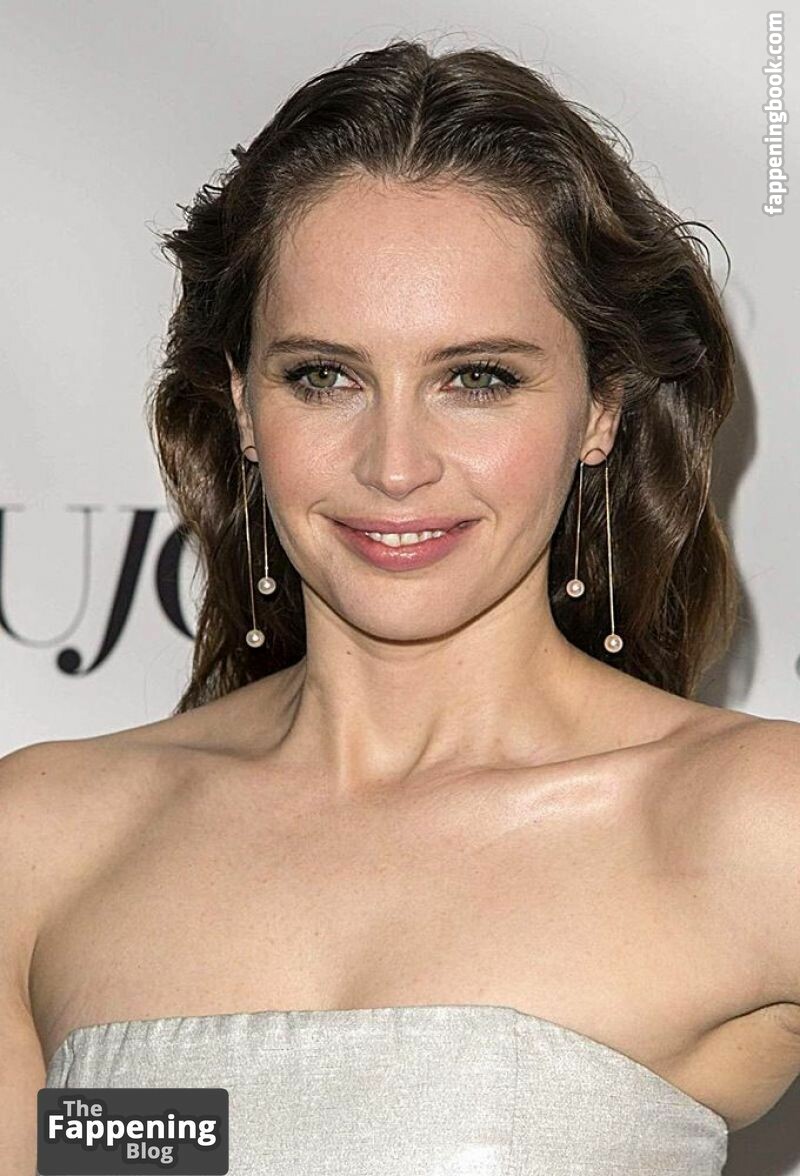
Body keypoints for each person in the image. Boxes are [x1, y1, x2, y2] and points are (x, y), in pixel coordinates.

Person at [3, 37, 799, 1176]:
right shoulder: (43, 842)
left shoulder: (754, 824)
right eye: (322, 376)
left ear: (600, 409)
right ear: (241, 406)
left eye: (478, 378)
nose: (393, 465)